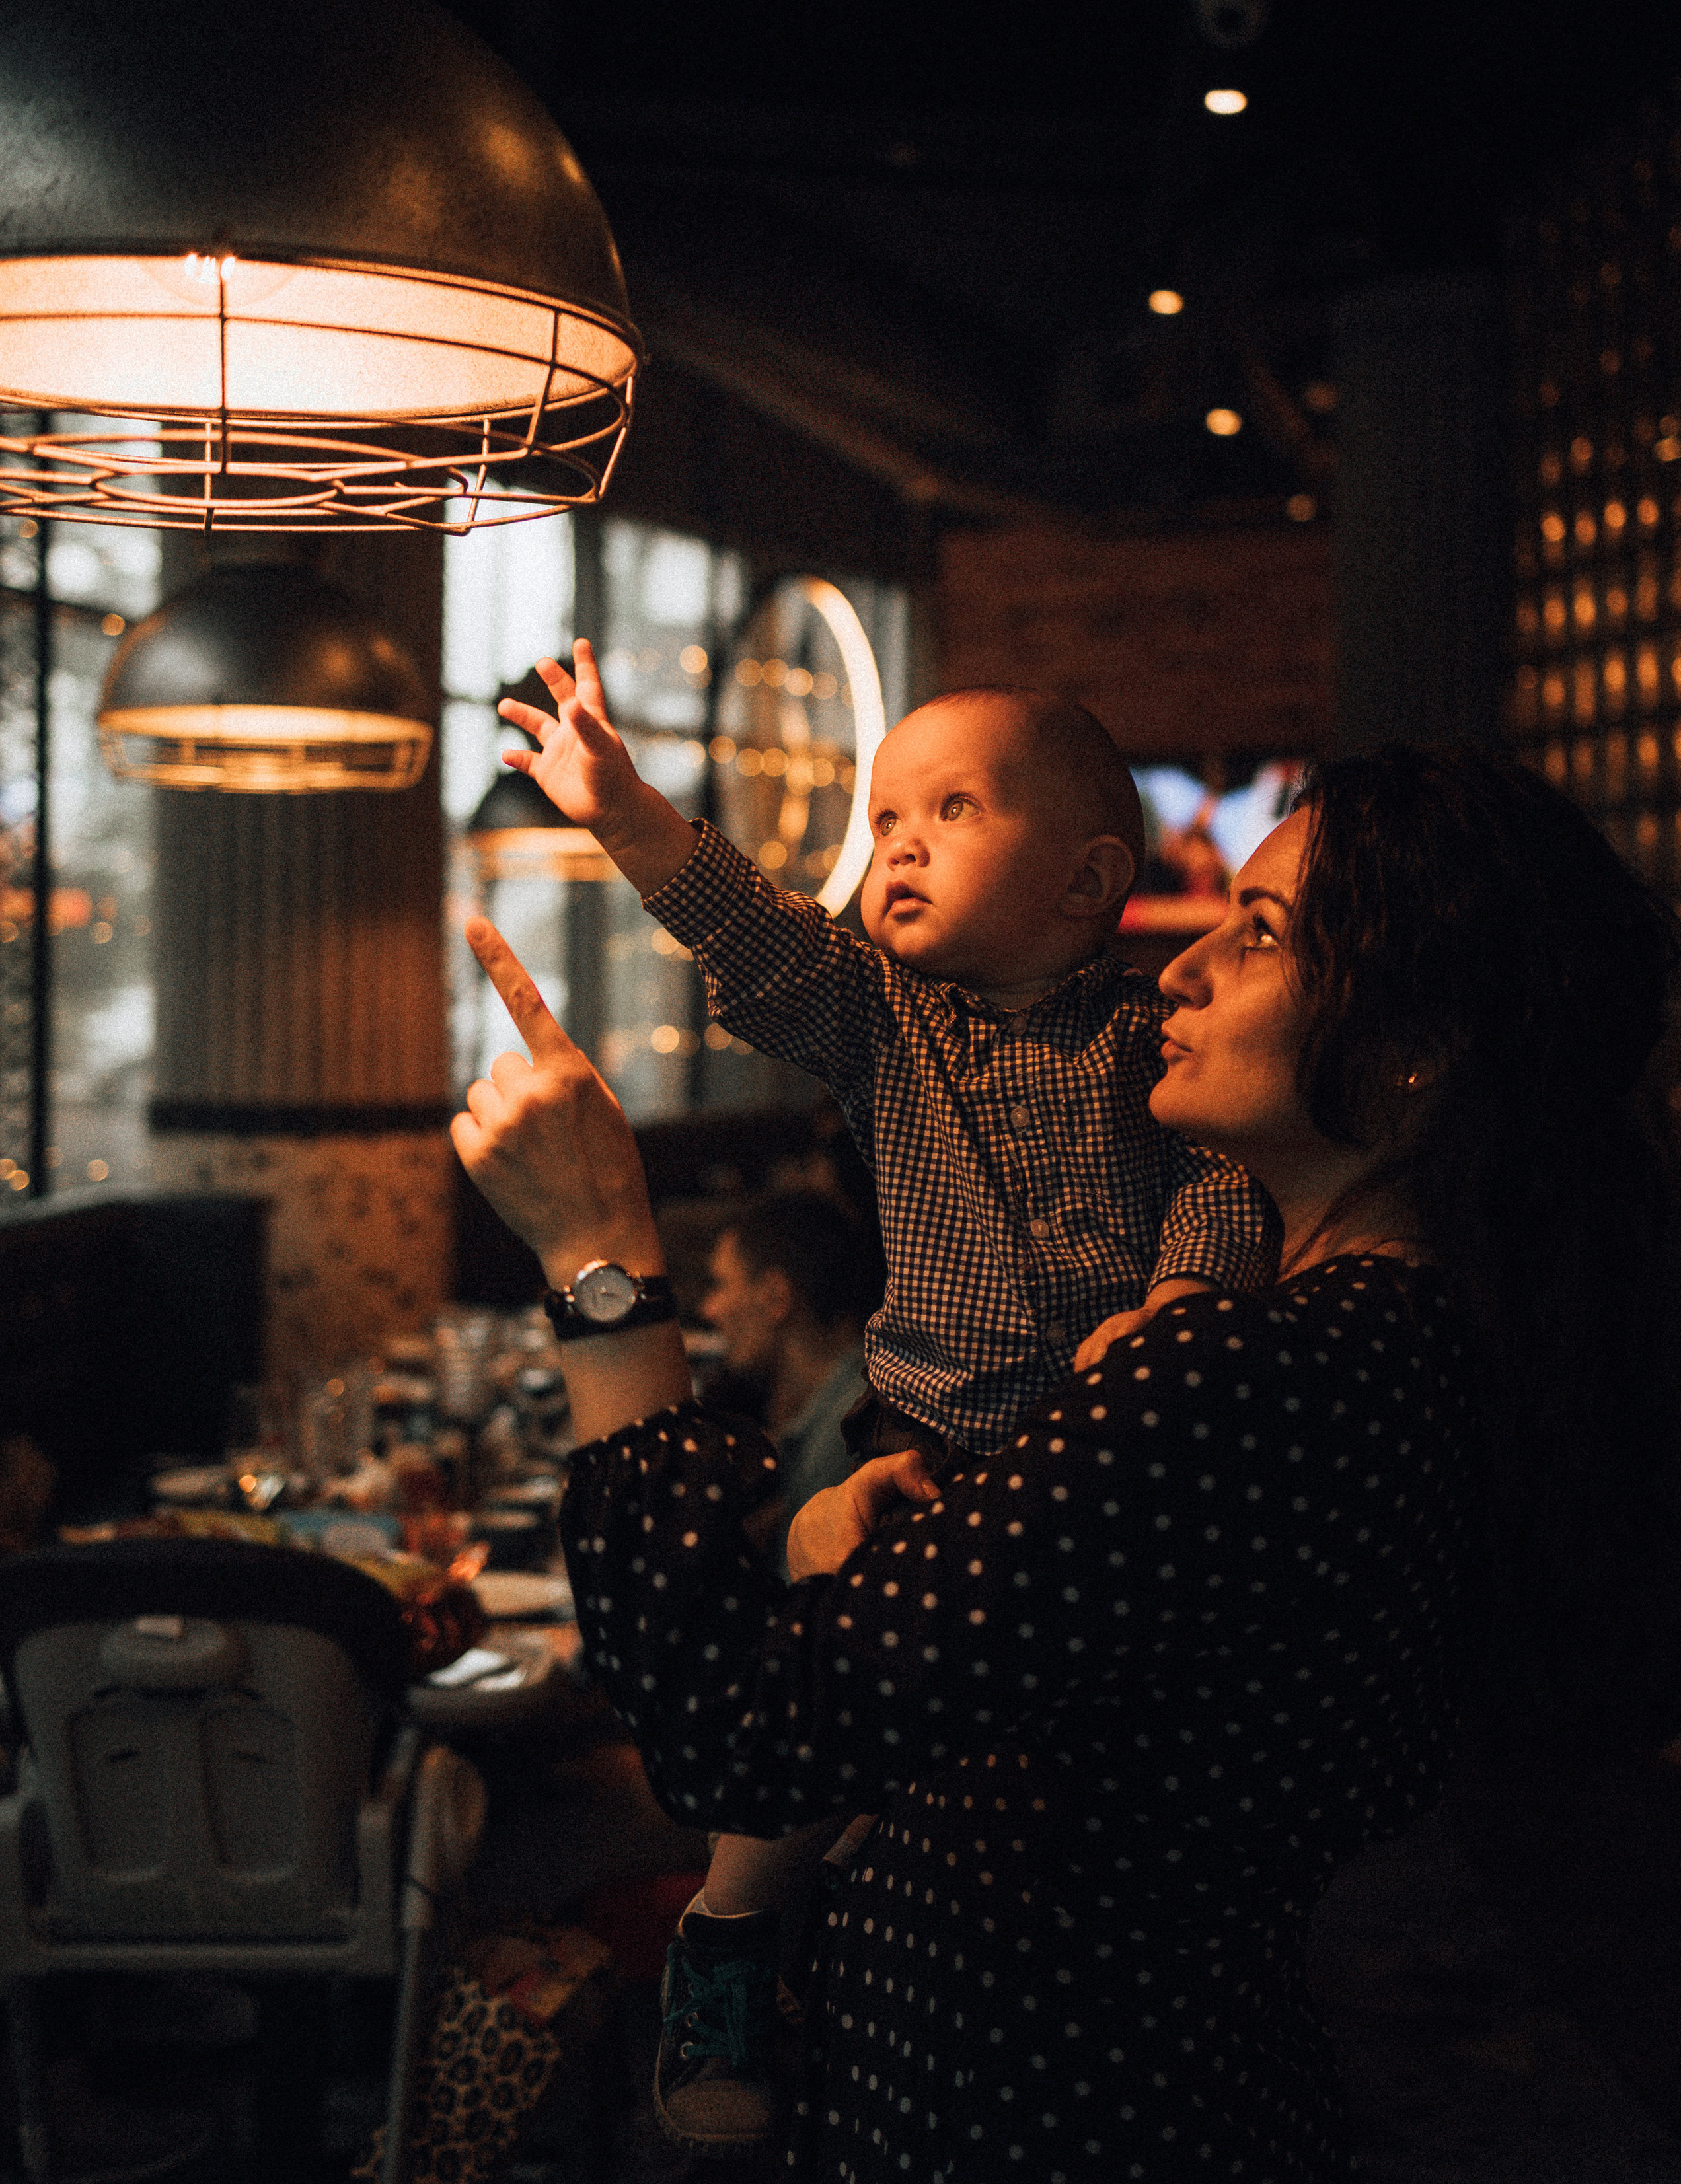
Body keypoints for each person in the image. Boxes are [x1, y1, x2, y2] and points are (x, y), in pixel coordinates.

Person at [452, 745, 1681, 2181]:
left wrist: (602, 1262)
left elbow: (735, 1736)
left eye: (1263, 930)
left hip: (1031, 2115)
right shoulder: (1397, 1346)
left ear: (1413, 1045)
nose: (1181, 967)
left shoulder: (1257, 1371)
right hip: (1175, 2093)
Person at [496, 645, 1277, 2140]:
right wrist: (622, 809)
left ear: (1080, 879)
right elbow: (754, 929)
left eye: (951, 808)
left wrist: (1182, 1302)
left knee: (1030, 1770)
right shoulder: (879, 1016)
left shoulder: (1145, 1040)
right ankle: (726, 1929)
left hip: (1095, 1461)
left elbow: (1217, 1176)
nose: (896, 842)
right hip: (920, 1445)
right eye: (885, 816)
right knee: (814, 1725)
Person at [700, 1192, 878, 1566]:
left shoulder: (844, 1431)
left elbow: (802, 1606)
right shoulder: (842, 1396)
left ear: (775, 1297)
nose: (709, 1309)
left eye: (721, 1284)